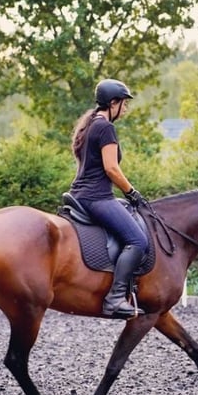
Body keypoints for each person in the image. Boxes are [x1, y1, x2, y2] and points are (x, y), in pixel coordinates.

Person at [69, 78, 148, 319]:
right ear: (112, 103)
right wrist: (132, 192)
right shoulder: (105, 128)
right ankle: (115, 298)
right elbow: (111, 169)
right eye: (124, 104)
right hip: (96, 197)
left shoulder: (89, 125)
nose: (125, 109)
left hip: (80, 194)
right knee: (138, 241)